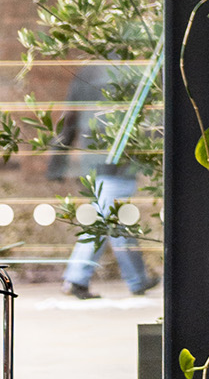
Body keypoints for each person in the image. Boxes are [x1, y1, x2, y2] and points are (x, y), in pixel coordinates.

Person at [53, 62, 151, 299]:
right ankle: (76, 278)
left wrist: (57, 160)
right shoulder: (127, 69)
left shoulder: (88, 71)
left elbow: (70, 118)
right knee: (108, 220)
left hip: (96, 158)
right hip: (116, 159)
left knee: (112, 219)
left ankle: (137, 278)